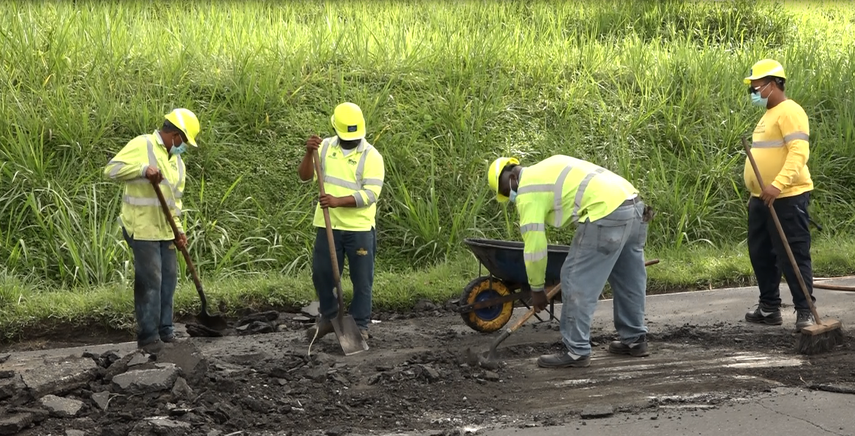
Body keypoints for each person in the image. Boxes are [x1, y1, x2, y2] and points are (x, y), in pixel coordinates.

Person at [487, 155, 652, 368]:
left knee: (575, 278)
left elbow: (535, 247)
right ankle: (635, 340)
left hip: (606, 213)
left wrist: (537, 289)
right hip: (634, 205)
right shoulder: (549, 164)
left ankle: (576, 350)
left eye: (505, 190)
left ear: (511, 177)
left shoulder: (527, 191)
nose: (510, 196)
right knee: (629, 277)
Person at [104, 108, 201, 354]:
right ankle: (148, 338)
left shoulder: (178, 162)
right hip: (141, 227)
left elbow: (174, 203)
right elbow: (111, 170)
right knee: (151, 281)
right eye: (184, 141)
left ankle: (165, 331)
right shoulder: (142, 144)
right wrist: (142, 169)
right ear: (175, 134)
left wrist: (179, 231)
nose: (183, 146)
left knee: (168, 279)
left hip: (166, 230)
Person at [298, 102, 385, 342]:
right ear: (335, 129)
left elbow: (370, 195)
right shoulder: (324, 148)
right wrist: (308, 153)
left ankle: (360, 325)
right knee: (322, 273)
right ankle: (329, 317)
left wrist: (338, 201)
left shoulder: (371, 156)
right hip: (328, 226)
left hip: (359, 229)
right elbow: (305, 176)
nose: (350, 141)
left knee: (362, 280)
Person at [742, 59, 816, 332]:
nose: (753, 93)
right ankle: (769, 307)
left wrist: (778, 185)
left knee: (792, 254)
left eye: (756, 87)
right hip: (761, 198)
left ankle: (805, 311)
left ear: (773, 85)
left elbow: (799, 153)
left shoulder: (790, 111)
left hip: (786, 196)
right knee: (761, 252)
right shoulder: (767, 115)